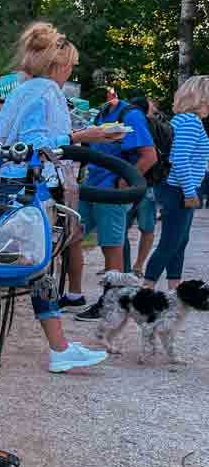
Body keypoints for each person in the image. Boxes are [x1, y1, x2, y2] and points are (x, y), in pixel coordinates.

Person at [0, 21, 123, 372]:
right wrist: (87, 137)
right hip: (34, 189)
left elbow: (3, 138)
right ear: (58, 66)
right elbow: (40, 145)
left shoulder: (21, 88)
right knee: (39, 265)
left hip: (5, 184)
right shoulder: (49, 91)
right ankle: (60, 349)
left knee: (15, 263)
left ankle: (57, 344)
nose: (70, 73)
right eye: (71, 67)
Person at [73, 90, 157, 320]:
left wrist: (125, 180)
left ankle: (111, 304)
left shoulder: (131, 115)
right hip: (92, 186)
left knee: (111, 245)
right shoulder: (102, 113)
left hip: (111, 191)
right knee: (72, 236)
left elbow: (149, 156)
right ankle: (73, 295)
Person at [144, 75, 209, 289]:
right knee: (171, 242)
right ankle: (146, 288)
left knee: (180, 241)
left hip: (174, 186)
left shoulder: (180, 120)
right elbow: (179, 159)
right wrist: (191, 193)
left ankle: (174, 289)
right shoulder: (191, 122)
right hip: (179, 188)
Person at [121, 96, 168, 275]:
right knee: (147, 228)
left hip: (132, 183)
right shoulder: (159, 125)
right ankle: (138, 266)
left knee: (122, 228)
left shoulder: (136, 122)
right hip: (149, 184)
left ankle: (124, 269)